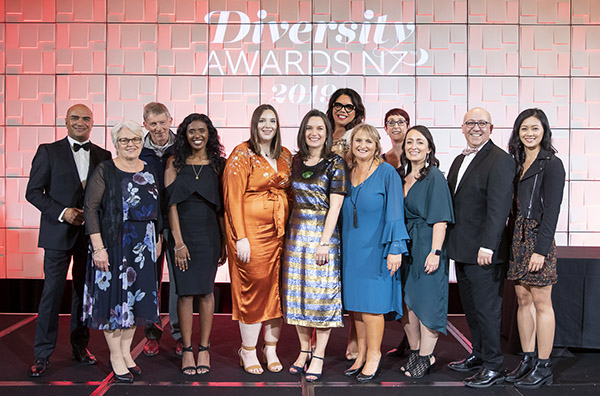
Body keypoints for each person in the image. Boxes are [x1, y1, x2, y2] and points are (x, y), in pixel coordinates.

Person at [25, 104, 111, 377]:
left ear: (93, 123)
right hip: (57, 234)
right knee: (51, 294)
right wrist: (64, 212)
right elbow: (34, 193)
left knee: (83, 295)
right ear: (65, 121)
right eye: (75, 117)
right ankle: (42, 354)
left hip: (90, 237)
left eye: (86, 118)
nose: (80, 122)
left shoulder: (104, 155)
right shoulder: (48, 151)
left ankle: (79, 347)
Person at [82, 121, 162, 383]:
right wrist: (99, 248)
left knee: (135, 302)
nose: (131, 144)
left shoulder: (149, 168)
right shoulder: (105, 169)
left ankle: (127, 354)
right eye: (125, 140)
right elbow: (91, 209)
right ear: (116, 143)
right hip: (114, 243)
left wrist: (158, 236)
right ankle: (116, 357)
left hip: (143, 245)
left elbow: (157, 206)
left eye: (136, 139)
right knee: (115, 303)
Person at [446, 108, 515, 388]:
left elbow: (499, 209)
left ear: (492, 127)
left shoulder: (500, 160)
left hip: (485, 252)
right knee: (472, 309)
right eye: (471, 123)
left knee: (487, 310)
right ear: (462, 127)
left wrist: (488, 245)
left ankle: (494, 366)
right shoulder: (458, 160)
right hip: (462, 249)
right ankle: (478, 354)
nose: (476, 127)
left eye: (482, 123)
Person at [223, 104, 292, 375]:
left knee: (277, 292)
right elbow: (232, 198)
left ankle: (270, 348)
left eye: (272, 121)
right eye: (262, 120)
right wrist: (240, 237)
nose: (267, 125)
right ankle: (248, 350)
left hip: (281, 235)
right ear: (254, 124)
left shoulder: (285, 155)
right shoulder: (242, 154)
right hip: (251, 235)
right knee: (254, 291)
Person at [282, 110, 347, 382]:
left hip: (323, 234)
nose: (314, 133)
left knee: (321, 297)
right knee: (297, 295)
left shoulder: (336, 163)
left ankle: (319, 354)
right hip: (296, 234)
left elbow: (335, 207)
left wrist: (324, 242)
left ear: (327, 132)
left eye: (320, 128)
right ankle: (303, 350)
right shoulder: (295, 161)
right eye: (310, 128)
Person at [341, 124, 409, 383]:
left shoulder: (387, 172)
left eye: (368, 141)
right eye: (358, 140)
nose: (363, 145)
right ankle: (360, 355)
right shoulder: (347, 173)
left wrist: (395, 248)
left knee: (372, 307)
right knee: (357, 307)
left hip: (378, 249)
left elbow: (395, 212)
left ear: (376, 145)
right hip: (352, 250)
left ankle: (374, 356)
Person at [504, 109, 565, 389]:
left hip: (538, 236)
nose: (529, 133)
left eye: (535, 128)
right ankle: (527, 360)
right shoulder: (515, 162)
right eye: (524, 128)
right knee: (522, 299)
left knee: (542, 302)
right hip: (517, 235)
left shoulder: (552, 164)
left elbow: (552, 210)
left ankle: (543, 365)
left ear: (544, 131)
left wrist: (541, 249)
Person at [164, 114, 227, 376]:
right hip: (183, 235)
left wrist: (224, 241)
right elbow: (171, 205)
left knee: (207, 292)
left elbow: (223, 208)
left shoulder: (218, 164)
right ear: (184, 135)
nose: (197, 135)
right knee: (186, 292)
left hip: (210, 235)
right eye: (191, 131)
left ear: (209, 133)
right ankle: (187, 350)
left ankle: (205, 348)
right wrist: (178, 243)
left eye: (202, 130)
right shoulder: (173, 162)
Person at [397, 126, 454, 378]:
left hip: (427, 245)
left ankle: (426, 356)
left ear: (429, 148)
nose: (414, 147)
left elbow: (440, 219)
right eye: (410, 142)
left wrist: (436, 252)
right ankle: (416, 351)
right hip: (405, 246)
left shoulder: (434, 177)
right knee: (408, 303)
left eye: (420, 142)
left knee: (428, 303)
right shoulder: (402, 175)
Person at [140, 102, 182, 357]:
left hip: (176, 224)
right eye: (152, 124)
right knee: (148, 282)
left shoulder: (183, 149)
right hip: (146, 227)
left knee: (178, 284)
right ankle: (152, 334)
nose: (158, 128)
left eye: (162, 122)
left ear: (170, 121)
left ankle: (179, 334)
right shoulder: (136, 149)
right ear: (145, 124)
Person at [381, 108, 411, 358]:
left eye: (400, 122)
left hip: (413, 225)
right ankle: (408, 338)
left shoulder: (419, 155)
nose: (396, 126)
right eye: (391, 122)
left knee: (412, 287)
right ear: (385, 128)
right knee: (398, 287)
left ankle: (416, 342)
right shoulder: (383, 159)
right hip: (392, 227)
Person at [326, 88, 365, 159]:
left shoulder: (359, 135)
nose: (342, 110)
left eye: (349, 107)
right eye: (338, 105)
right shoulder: (322, 132)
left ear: (357, 111)